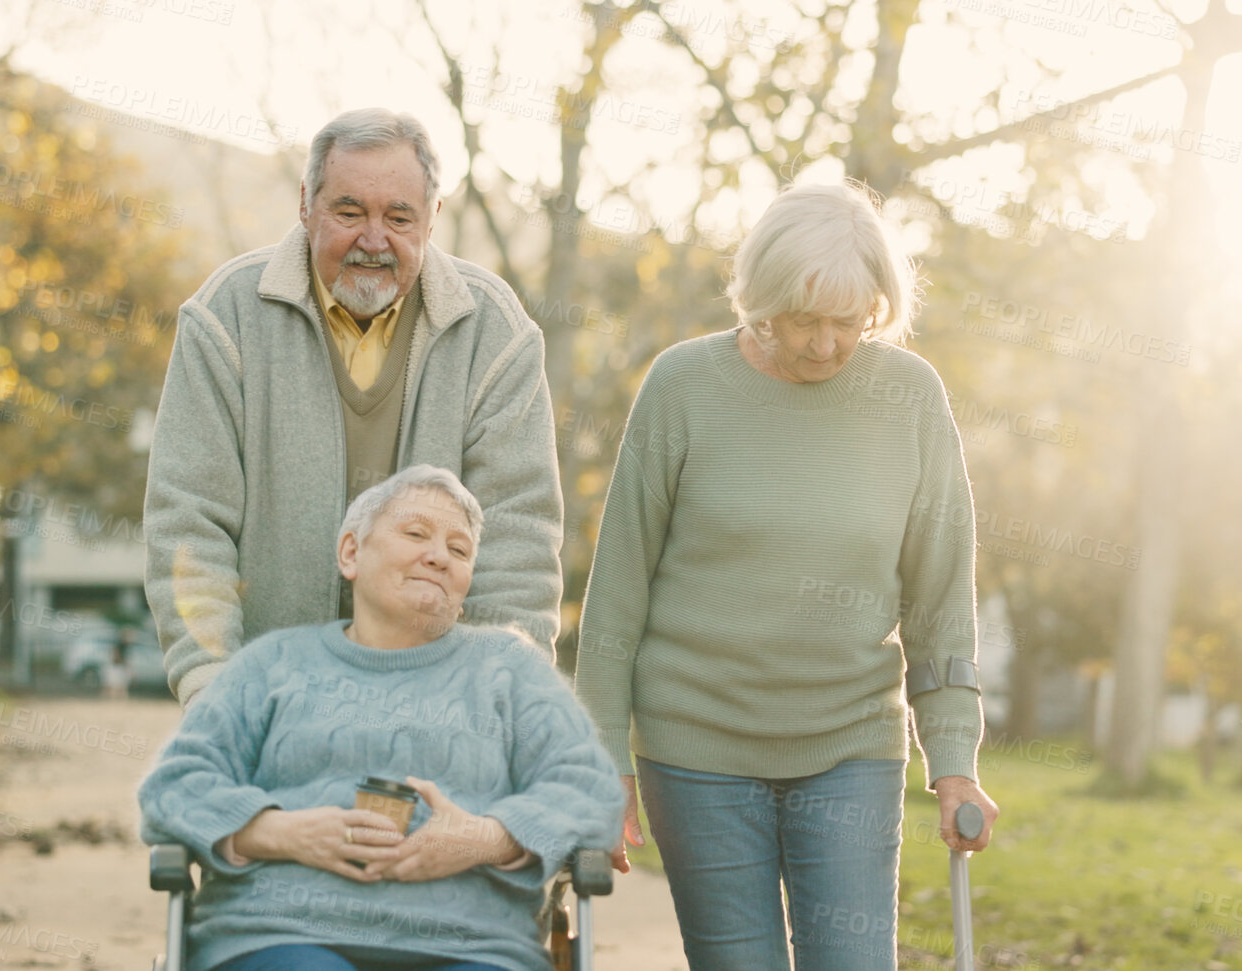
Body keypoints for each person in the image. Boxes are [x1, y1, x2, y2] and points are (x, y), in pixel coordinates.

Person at [573, 182, 1001, 971]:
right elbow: (618, 592)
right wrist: (602, 758)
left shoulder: (908, 398)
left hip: (849, 741)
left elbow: (939, 602)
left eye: (849, 320)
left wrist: (953, 758)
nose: (824, 344)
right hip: (695, 744)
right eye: (802, 319)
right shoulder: (683, 387)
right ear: (760, 298)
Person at [144, 108, 563, 708]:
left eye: (399, 218)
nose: (373, 240)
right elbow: (188, 526)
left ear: (432, 219)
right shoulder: (225, 318)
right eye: (348, 212)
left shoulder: (497, 334)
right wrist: (216, 691)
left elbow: (517, 538)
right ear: (306, 206)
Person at [137, 465, 622, 971]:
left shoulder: (510, 670)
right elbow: (172, 787)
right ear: (351, 553)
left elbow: (591, 791)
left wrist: (485, 839)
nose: (438, 556)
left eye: (459, 551)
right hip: (282, 933)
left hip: (471, 945)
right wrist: (280, 832)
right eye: (416, 534)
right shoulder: (272, 664)